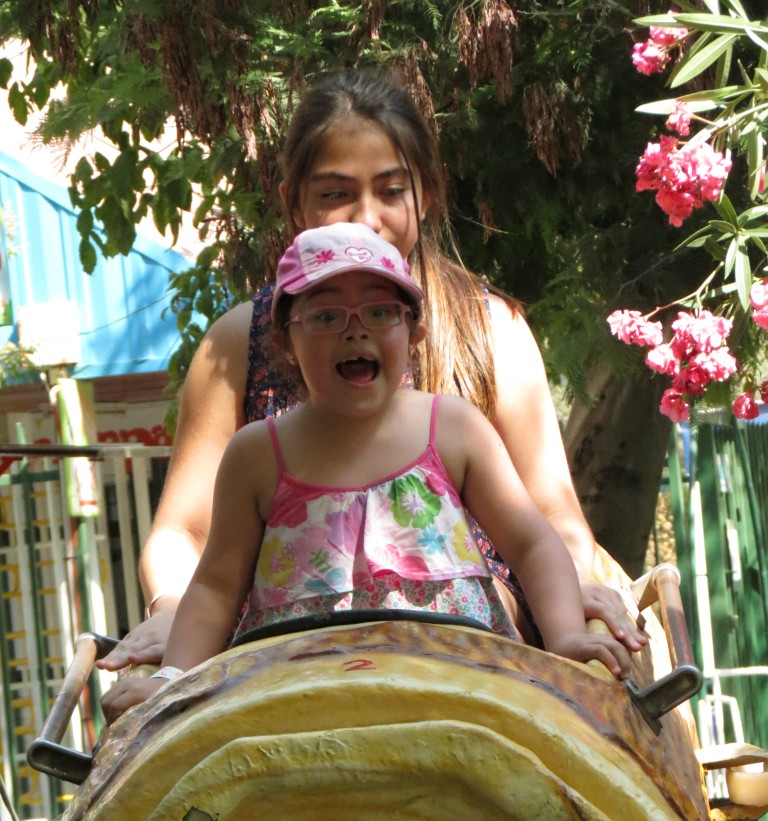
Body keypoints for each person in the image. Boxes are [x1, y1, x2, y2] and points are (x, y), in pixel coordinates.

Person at [96, 69, 645, 678]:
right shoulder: (241, 357)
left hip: (474, 647)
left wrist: (567, 601)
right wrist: (175, 619)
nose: (365, 217)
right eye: (336, 193)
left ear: (425, 196)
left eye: (390, 190)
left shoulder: (486, 338)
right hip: (286, 655)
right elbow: (189, 538)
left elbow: (547, 521)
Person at [101, 224, 631, 723]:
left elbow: (532, 543)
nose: (355, 332)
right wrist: (172, 676)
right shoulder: (258, 453)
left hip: (459, 680)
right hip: (298, 692)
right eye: (326, 316)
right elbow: (216, 587)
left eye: (380, 312)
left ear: (414, 328)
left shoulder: (452, 428)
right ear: (284, 338)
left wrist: (564, 637)